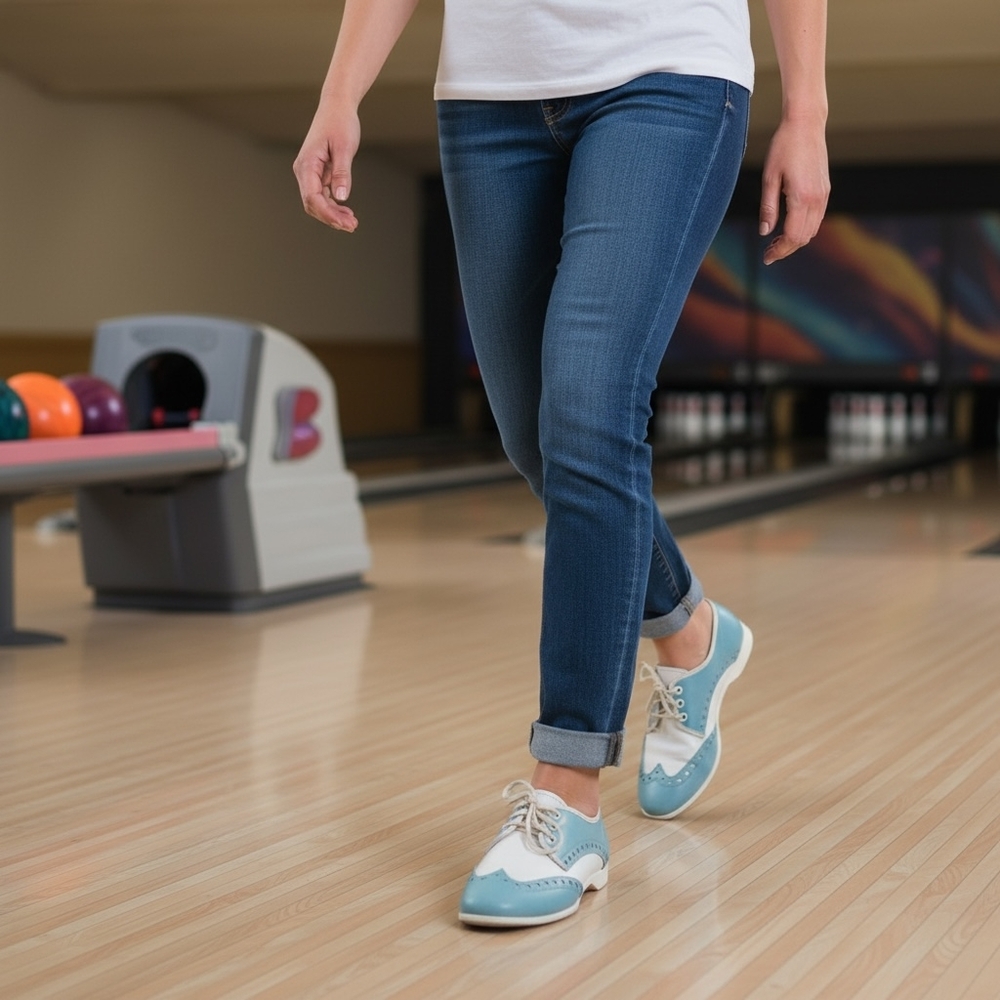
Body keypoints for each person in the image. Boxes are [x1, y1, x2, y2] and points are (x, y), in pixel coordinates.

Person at [295, 0, 829, 928]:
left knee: (588, 409)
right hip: (489, 96)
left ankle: (566, 798)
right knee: (534, 434)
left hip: (668, 74)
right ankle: (693, 632)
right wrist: (339, 92)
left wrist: (808, 113)